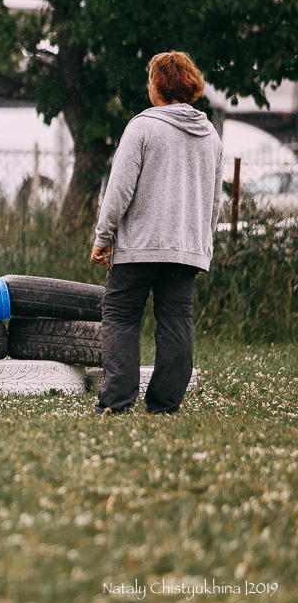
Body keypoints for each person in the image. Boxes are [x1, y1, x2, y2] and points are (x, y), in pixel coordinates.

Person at [90, 51, 223, 414]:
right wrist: (203, 249)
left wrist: (103, 237)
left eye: (150, 79)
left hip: (139, 246)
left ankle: (116, 403)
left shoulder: (142, 127)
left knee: (121, 318)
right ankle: (164, 405)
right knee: (177, 322)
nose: (148, 84)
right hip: (185, 250)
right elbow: (214, 201)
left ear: (159, 86)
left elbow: (119, 190)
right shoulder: (210, 135)